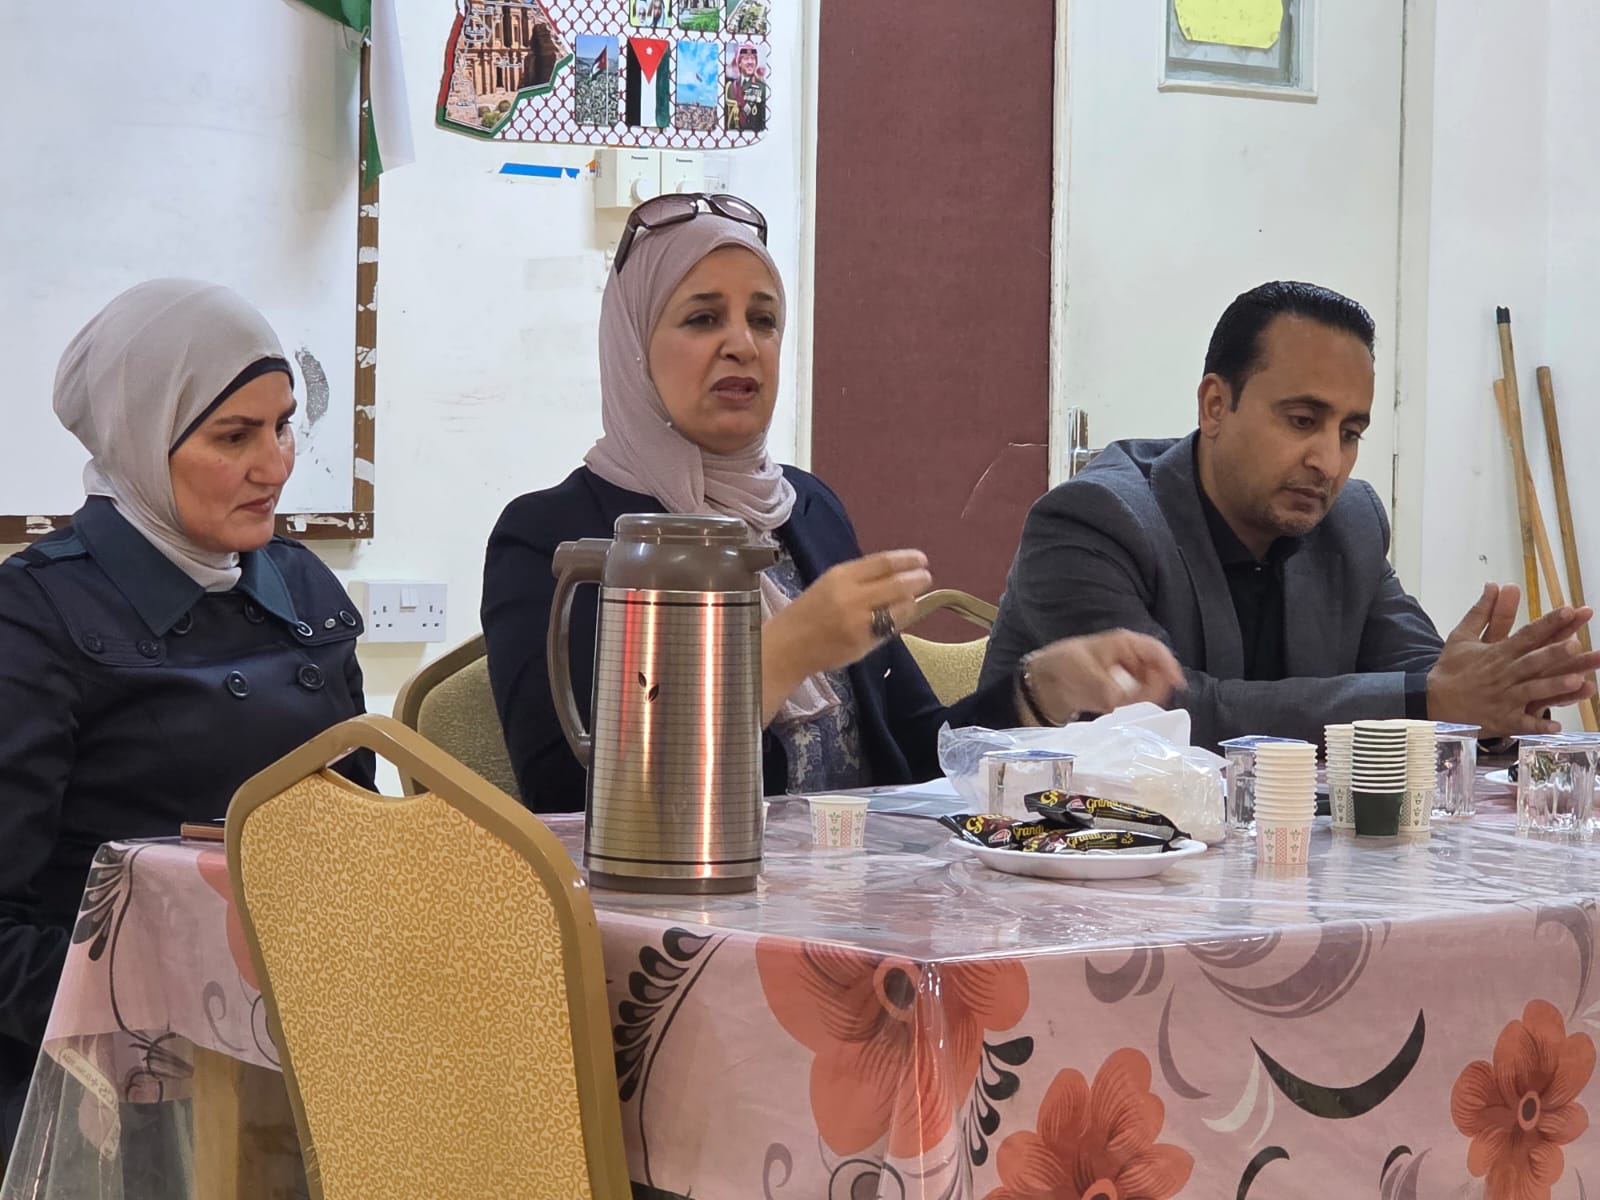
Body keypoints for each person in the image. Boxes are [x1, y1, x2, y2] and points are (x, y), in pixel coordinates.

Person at [482, 194, 1183, 812]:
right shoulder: (553, 536)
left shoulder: (806, 509)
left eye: (764, 320)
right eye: (702, 318)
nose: (742, 345)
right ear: (632, 346)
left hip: (858, 893)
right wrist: (786, 652)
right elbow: (565, 798)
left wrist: (1040, 688)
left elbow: (916, 755)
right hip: (682, 903)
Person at [0, 279, 375, 1150]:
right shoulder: (33, 616)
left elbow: (362, 848)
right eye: (233, 436)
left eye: (283, 425)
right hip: (109, 1086)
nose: (275, 465)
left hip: (312, 1052)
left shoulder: (304, 585)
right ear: (139, 438)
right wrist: (173, 1018)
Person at [982, 280, 1600, 748]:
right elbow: (1161, 717)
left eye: (1350, 433)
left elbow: (1424, 676)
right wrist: (1434, 701)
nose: (1328, 462)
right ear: (1215, 406)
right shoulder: (1095, 519)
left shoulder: (1350, 521)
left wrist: (1499, 699)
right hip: (1064, 853)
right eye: (1303, 420)